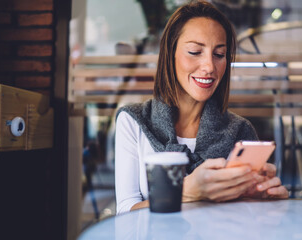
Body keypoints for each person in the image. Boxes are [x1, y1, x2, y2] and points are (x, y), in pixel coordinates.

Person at [115, 0, 288, 214]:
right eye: (195, 51)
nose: (209, 67)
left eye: (219, 55)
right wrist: (188, 191)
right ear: (171, 54)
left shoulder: (241, 131)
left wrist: (265, 204)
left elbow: (247, 223)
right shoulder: (134, 121)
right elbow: (125, 212)